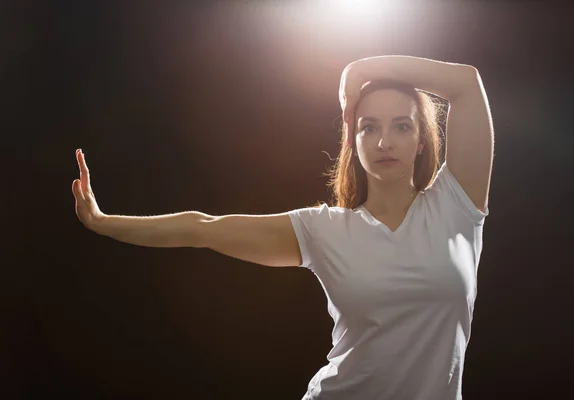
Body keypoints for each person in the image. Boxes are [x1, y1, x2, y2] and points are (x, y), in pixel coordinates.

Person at [72, 55, 494, 400]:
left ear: (422, 139)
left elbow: (467, 83)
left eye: (401, 126)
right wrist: (103, 222)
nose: (385, 142)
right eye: (369, 127)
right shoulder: (322, 230)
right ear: (353, 140)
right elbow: (202, 228)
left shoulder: (456, 205)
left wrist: (364, 70)